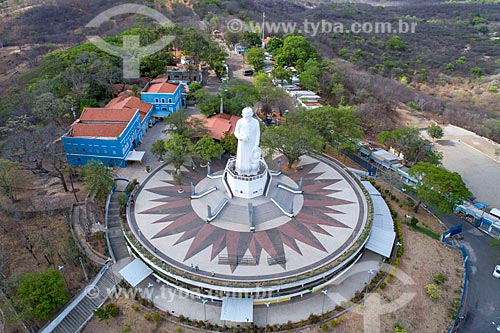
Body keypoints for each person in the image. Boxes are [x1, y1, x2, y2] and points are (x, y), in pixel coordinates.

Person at [234, 107, 261, 175]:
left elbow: (258, 133)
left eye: (249, 116)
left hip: (252, 144)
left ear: (252, 114)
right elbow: (236, 133)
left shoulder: (255, 122)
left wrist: (256, 144)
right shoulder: (240, 122)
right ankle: (242, 171)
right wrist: (241, 137)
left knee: (251, 158)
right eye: (246, 117)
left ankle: (252, 171)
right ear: (242, 115)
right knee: (242, 158)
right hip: (243, 144)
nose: (247, 118)